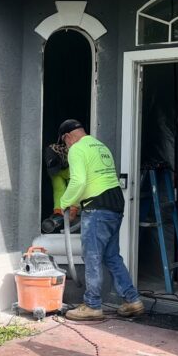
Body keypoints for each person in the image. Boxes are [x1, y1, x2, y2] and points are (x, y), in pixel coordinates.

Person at [56, 119, 144, 321]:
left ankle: (92, 305)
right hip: (114, 205)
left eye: (65, 142)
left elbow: (79, 181)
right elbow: (96, 178)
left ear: (68, 137)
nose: (66, 146)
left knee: (92, 257)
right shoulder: (99, 145)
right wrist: (77, 204)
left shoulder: (76, 149)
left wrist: (64, 203)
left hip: (97, 208)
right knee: (112, 256)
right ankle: (132, 300)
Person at [41, 142, 78, 234]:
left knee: (73, 188)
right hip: (59, 167)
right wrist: (58, 210)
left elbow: (75, 187)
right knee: (58, 188)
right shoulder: (51, 163)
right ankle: (59, 211)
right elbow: (58, 190)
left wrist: (74, 207)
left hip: (70, 168)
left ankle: (74, 209)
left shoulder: (74, 157)